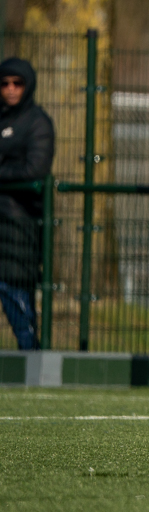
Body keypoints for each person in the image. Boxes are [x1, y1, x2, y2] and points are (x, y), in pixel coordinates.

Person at [0, 58, 54, 350]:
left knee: (17, 300)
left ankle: (31, 356)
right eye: (5, 83)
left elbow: (35, 169)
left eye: (17, 83)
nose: (10, 89)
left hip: (19, 226)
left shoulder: (37, 122)